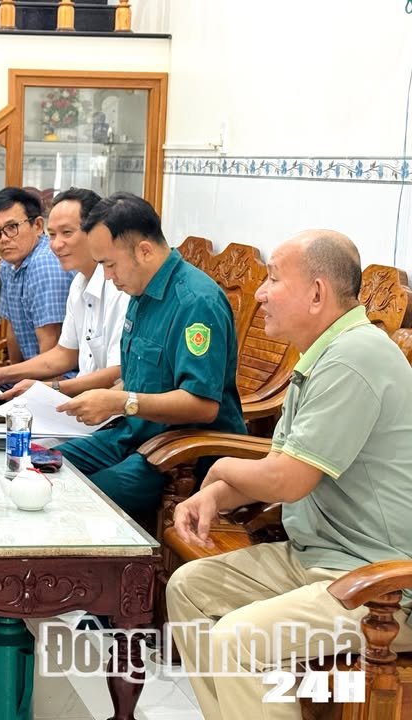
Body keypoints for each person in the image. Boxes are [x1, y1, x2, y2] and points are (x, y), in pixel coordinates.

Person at [166, 230, 412, 720]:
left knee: (238, 640)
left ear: (317, 293)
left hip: (380, 584)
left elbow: (288, 480)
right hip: (319, 556)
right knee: (189, 588)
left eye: (274, 279)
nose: (260, 293)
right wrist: (213, 496)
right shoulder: (325, 354)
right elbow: (279, 465)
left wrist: (219, 468)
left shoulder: (355, 358)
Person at [54, 193, 245, 519]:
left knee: (82, 504)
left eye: (110, 264)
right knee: (41, 465)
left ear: (144, 250)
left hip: (178, 452)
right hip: (131, 435)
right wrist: (90, 399)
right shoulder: (140, 290)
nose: (108, 277)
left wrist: (119, 402)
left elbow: (203, 405)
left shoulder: (196, 302)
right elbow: (137, 379)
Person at [0, 188, 128, 398]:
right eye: (52, 235)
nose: (56, 245)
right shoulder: (79, 283)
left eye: (67, 233)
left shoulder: (119, 287)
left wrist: (48, 389)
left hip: (98, 402)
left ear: (97, 232)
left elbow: (118, 371)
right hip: (77, 396)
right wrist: (2, 373)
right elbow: (64, 353)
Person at [0, 186, 75, 364]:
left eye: (12, 227)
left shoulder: (44, 265)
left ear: (38, 226)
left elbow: (51, 345)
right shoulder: (7, 263)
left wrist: (18, 378)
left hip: (63, 377)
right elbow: (13, 328)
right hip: (30, 371)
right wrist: (12, 374)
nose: (3, 238)